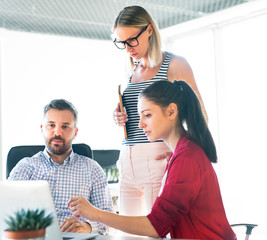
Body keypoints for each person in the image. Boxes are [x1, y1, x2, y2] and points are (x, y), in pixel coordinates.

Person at [68, 80, 236, 240]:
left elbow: (155, 227)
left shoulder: (187, 157)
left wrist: (94, 214)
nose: (141, 124)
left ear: (171, 111)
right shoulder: (182, 153)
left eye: (147, 115)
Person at [112, 5, 208, 215]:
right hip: (127, 161)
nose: (128, 48)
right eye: (122, 42)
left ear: (149, 30)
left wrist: (184, 159)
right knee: (128, 234)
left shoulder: (174, 64)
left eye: (132, 40)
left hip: (158, 158)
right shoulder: (131, 70)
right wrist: (119, 116)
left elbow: (200, 116)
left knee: (158, 233)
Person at [8, 99, 113, 235]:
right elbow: (6, 212)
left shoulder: (92, 169)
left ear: (75, 132)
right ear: (42, 129)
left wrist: (88, 227)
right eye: (51, 125)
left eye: (65, 126)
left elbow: (109, 220)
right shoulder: (25, 167)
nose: (57, 132)